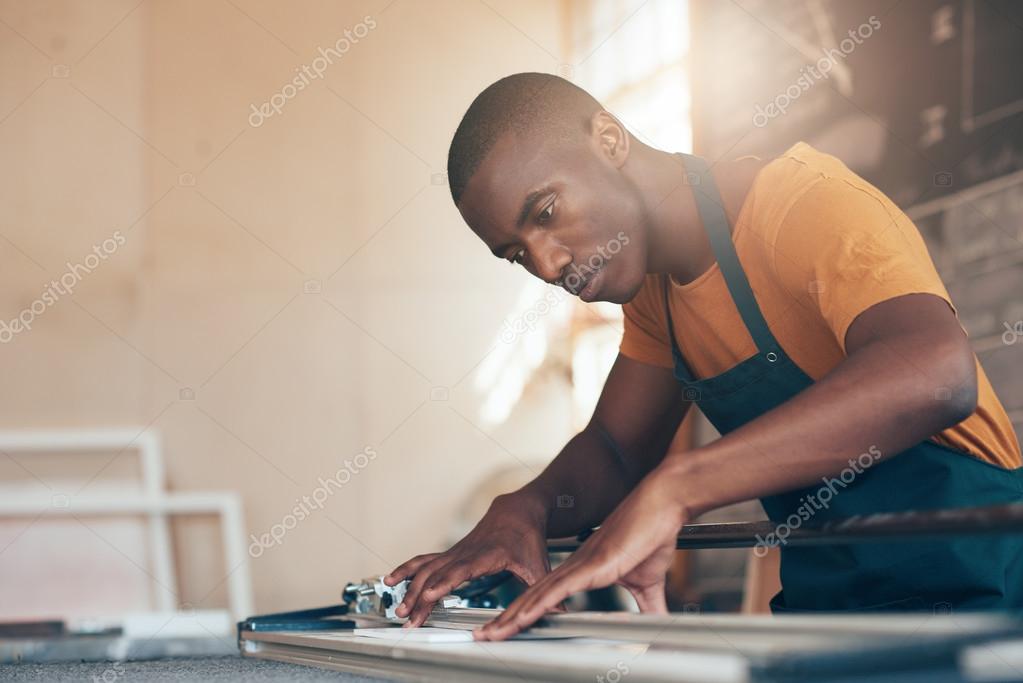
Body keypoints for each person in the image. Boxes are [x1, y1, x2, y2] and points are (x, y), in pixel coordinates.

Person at [384, 73, 1023, 641]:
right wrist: (524, 507)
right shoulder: (656, 296)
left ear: (609, 140)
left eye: (547, 212)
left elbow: (935, 372)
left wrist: (678, 489)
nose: (548, 265)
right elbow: (615, 447)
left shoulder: (800, 202)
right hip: (833, 609)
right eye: (516, 253)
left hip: (983, 589)